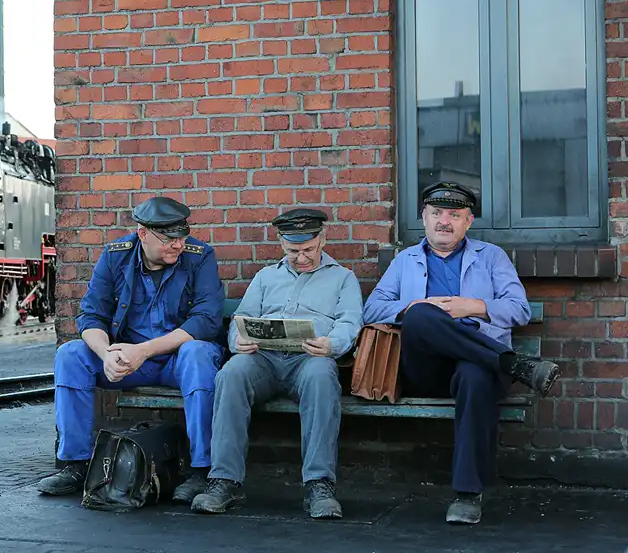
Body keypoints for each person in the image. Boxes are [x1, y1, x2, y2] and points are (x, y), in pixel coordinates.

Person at [362, 181, 560, 525]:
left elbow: (519, 309)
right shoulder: (405, 261)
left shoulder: (491, 257)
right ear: (424, 217)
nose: (444, 221)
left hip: (476, 367)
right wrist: (414, 306)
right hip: (428, 370)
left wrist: (476, 306)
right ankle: (514, 365)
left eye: (454, 215)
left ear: (468, 222)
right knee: (421, 315)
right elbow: (372, 309)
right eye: (437, 213)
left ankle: (468, 494)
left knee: (474, 374)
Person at [37, 196, 226, 505]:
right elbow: (91, 315)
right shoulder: (115, 256)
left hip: (176, 361)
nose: (178, 245)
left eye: (182, 236)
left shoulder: (200, 257)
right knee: (70, 355)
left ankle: (201, 470)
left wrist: (144, 351)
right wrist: (106, 355)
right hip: (128, 360)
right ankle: (76, 465)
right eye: (168, 239)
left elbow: (206, 321)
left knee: (199, 355)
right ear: (143, 234)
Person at [191, 208, 364, 519]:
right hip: (264, 358)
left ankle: (319, 484)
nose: (301, 258)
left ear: (322, 240)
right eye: (293, 251)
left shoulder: (343, 278)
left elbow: (350, 323)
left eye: (309, 250)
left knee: (323, 378)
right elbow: (241, 319)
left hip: (311, 358)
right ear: (281, 243)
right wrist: (238, 341)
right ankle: (224, 480)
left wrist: (331, 344)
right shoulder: (265, 277)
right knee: (231, 374)